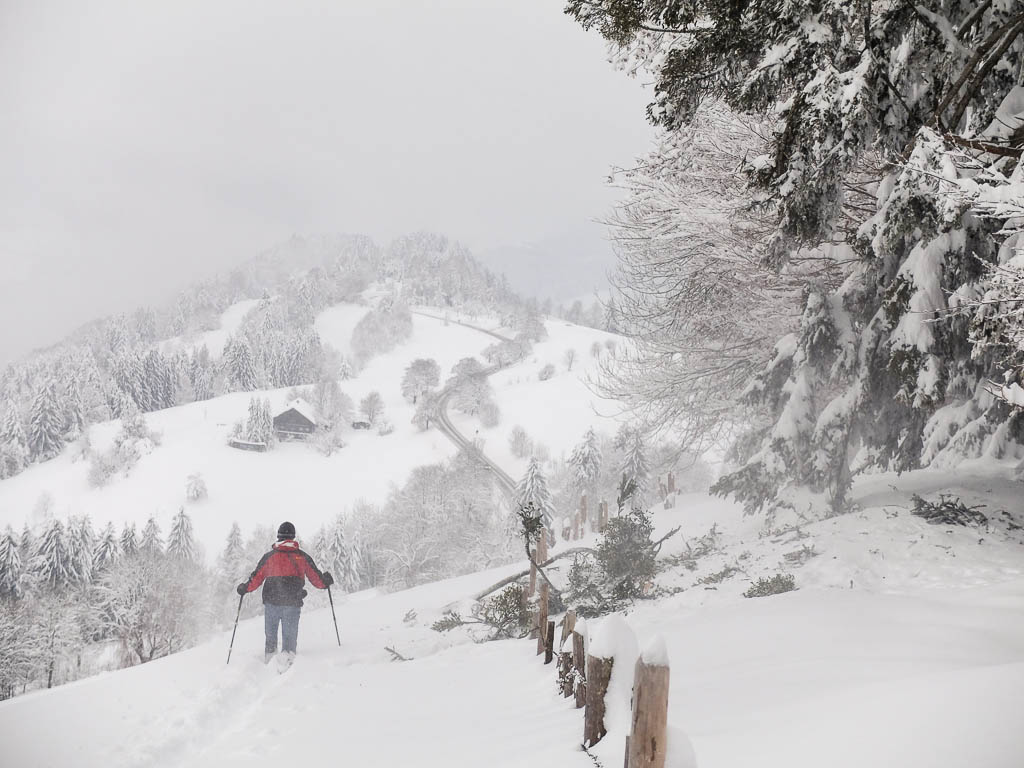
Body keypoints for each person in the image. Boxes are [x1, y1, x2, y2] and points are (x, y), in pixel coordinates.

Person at [237, 521, 334, 663]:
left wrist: (244, 588)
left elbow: (256, 578)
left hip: (272, 603)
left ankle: (269, 664)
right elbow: (316, 579)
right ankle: (288, 667)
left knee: (271, 638)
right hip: (292, 604)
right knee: (289, 640)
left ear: (279, 536)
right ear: (293, 537)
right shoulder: (302, 557)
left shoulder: (269, 557)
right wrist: (325, 582)